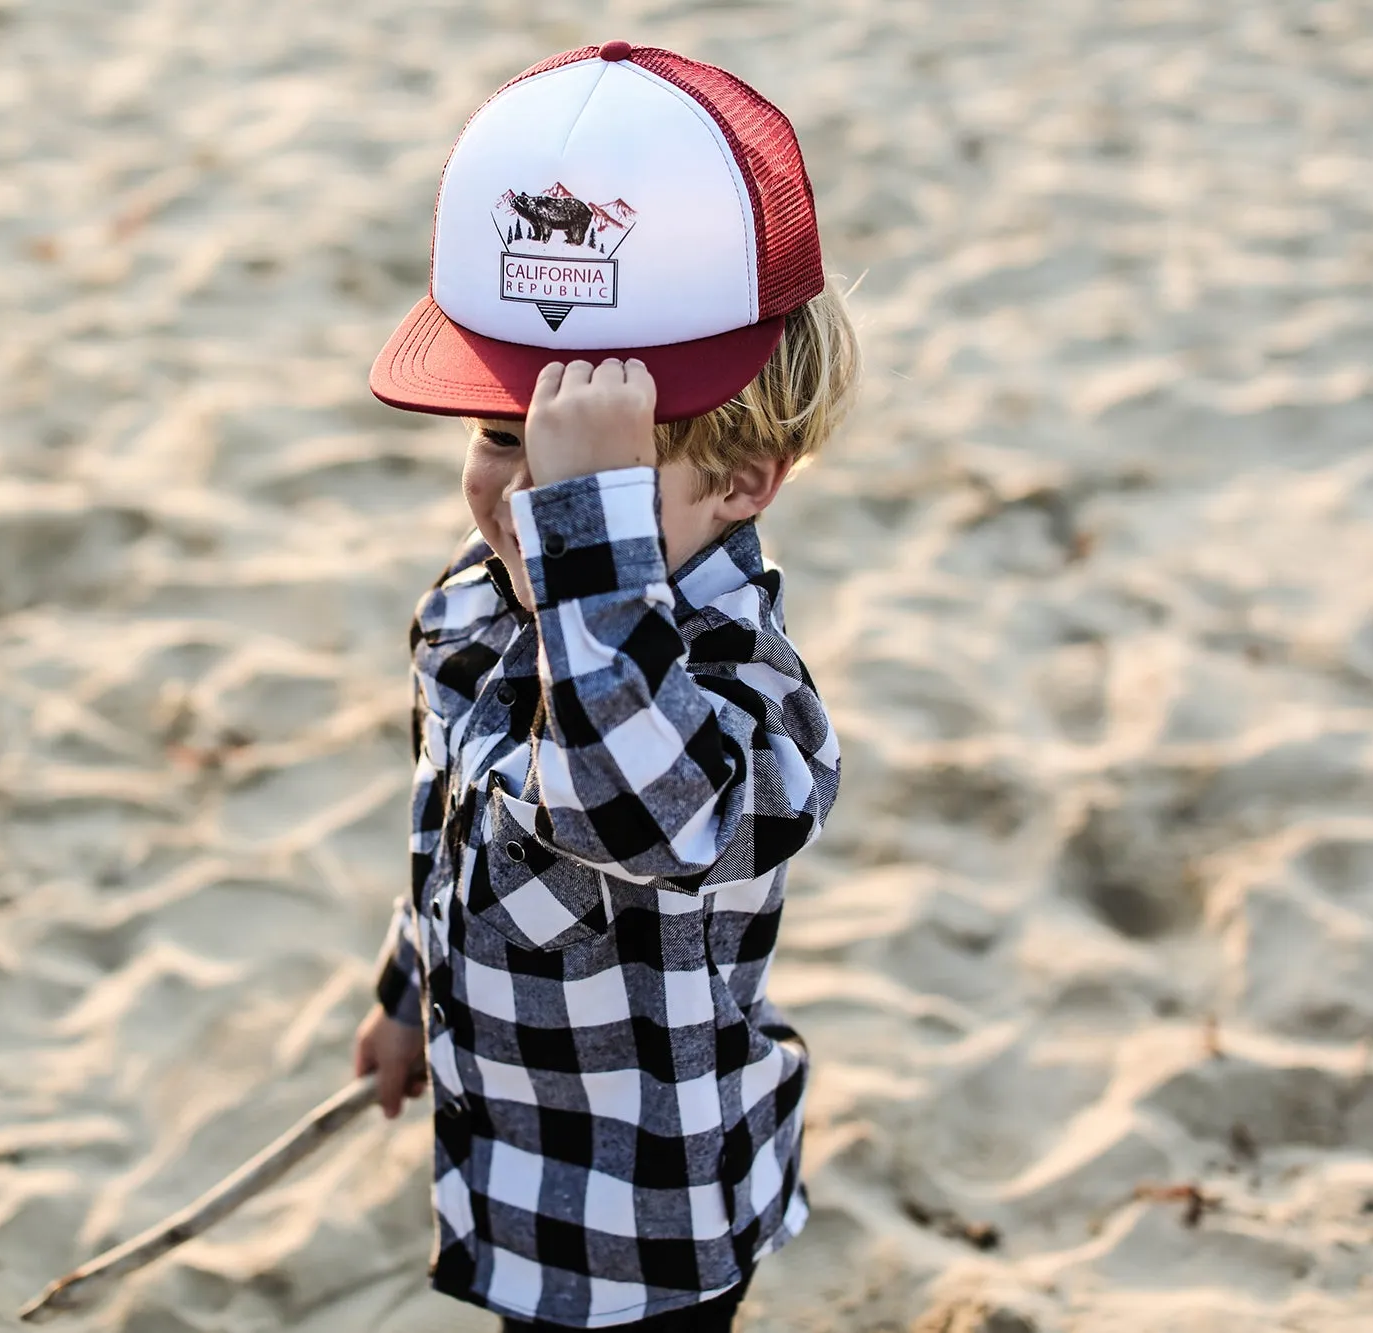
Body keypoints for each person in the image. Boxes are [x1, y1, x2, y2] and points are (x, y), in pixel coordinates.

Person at [353, 39, 860, 1332]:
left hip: (647, 1228)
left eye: (584, 478)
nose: (523, 503)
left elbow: (632, 811)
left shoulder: (752, 695)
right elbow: (455, 834)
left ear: (746, 481)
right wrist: (412, 996)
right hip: (512, 1167)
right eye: (498, 440)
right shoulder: (482, 602)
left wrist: (595, 543)